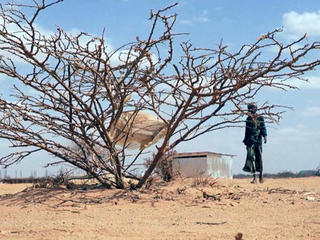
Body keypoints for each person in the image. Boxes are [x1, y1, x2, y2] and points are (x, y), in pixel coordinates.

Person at [242, 103, 267, 183]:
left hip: (258, 140)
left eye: (255, 107)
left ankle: (261, 176)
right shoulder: (248, 119)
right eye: (252, 108)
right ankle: (254, 178)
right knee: (251, 158)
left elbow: (263, 127)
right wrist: (246, 141)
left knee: (259, 157)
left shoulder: (260, 118)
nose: (254, 109)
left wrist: (265, 136)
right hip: (250, 141)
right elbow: (247, 130)